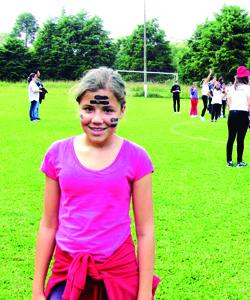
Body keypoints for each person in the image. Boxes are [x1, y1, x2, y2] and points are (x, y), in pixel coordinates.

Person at [32, 67, 160, 299]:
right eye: (88, 109)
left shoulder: (137, 157)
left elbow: (145, 230)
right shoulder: (57, 153)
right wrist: (37, 289)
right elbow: (48, 224)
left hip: (118, 273)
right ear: (78, 108)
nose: (97, 119)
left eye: (107, 109)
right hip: (68, 272)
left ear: (122, 110)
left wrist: (144, 293)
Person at [226, 66, 250, 167]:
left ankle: (229, 161)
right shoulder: (248, 88)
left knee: (231, 138)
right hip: (242, 114)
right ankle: (239, 161)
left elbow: (229, 102)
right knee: (240, 139)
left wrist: (231, 111)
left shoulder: (232, 88)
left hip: (232, 113)